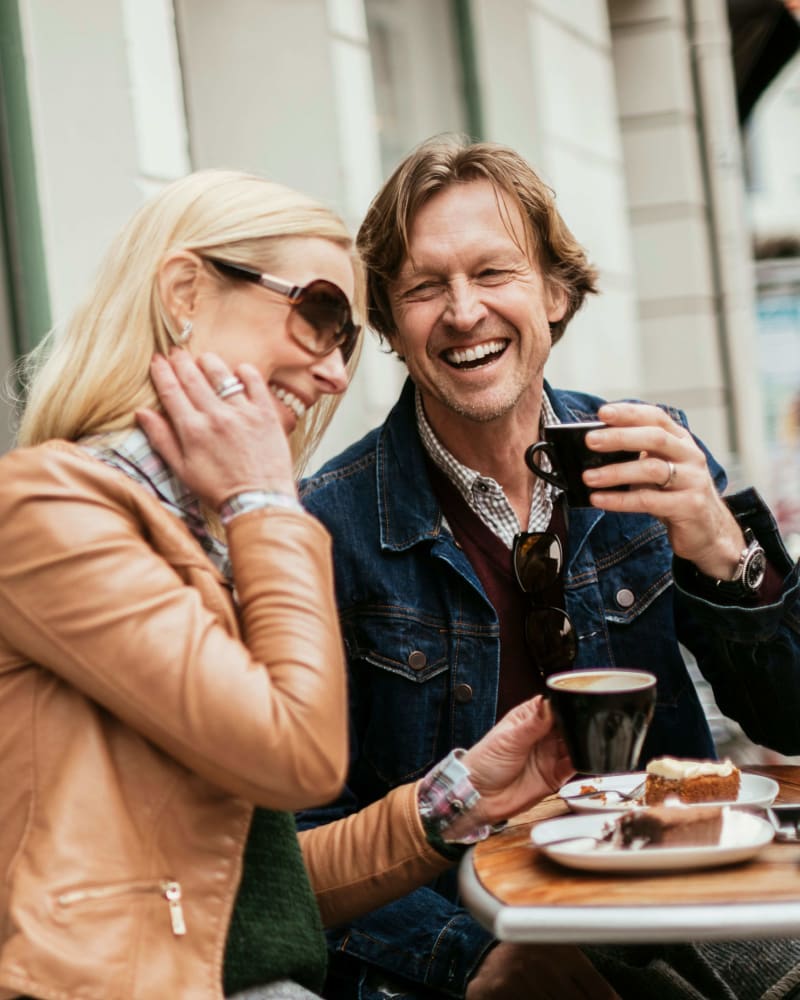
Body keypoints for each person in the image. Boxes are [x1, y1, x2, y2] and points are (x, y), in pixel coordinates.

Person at [0, 167, 575, 1000]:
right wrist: (264, 498)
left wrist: (463, 795)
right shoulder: (50, 509)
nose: (337, 372)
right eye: (319, 314)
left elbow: (265, 894)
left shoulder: (200, 536)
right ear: (186, 292)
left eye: (347, 337)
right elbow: (299, 754)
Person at [298, 135, 800, 1000]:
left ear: (556, 290)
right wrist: (477, 957)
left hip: (671, 903)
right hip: (458, 943)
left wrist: (726, 551)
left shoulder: (649, 452)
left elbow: (790, 719)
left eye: (495, 273)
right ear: (389, 320)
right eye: (425, 286)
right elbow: (302, 842)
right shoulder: (327, 525)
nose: (463, 312)